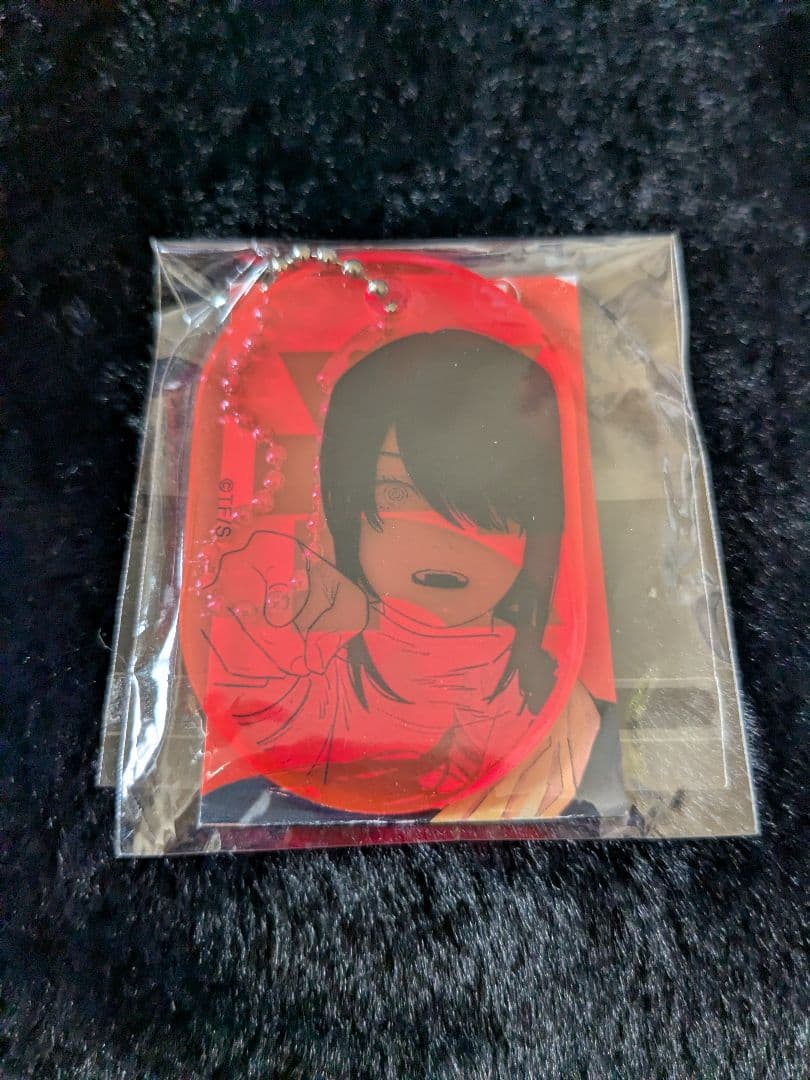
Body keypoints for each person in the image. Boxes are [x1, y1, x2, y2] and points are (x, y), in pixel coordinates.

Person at [200, 330, 601, 822]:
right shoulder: (299, 694)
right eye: (396, 494)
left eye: (491, 509)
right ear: (349, 508)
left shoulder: (564, 719)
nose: (443, 540)